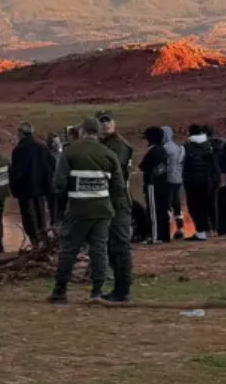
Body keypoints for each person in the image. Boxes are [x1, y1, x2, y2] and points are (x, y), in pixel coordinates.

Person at [49, 118, 125, 303]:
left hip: (77, 209)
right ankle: (97, 291)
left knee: (69, 250)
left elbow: (58, 183)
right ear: (98, 132)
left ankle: (60, 291)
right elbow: (119, 186)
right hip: (102, 210)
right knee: (99, 249)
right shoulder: (109, 154)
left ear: (82, 131)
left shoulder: (70, 152)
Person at [98, 111, 135, 298]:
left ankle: (123, 290)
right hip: (109, 200)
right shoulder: (105, 144)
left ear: (114, 123)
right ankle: (119, 288)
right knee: (113, 245)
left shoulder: (118, 145)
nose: (105, 125)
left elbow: (115, 171)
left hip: (118, 200)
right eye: (101, 121)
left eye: (108, 121)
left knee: (120, 245)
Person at [9, 123, 54, 249]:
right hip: (41, 188)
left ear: (21, 133)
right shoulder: (42, 147)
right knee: (41, 214)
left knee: (29, 216)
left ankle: (35, 242)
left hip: (25, 189)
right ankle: (43, 240)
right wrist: (48, 185)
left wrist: (14, 188)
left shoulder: (19, 150)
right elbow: (51, 166)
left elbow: (16, 172)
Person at [183, 125, 218, 241]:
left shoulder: (186, 147)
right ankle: (211, 229)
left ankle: (201, 231)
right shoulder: (209, 146)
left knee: (194, 207)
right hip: (207, 181)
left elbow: (179, 162)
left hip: (192, 182)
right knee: (207, 205)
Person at [139, 127, 172, 244]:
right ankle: (165, 235)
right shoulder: (163, 150)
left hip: (153, 185)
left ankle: (155, 236)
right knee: (163, 210)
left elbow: (143, 167)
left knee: (153, 212)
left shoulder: (152, 151)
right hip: (164, 183)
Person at [163, 127, 186, 240]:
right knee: (177, 205)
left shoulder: (165, 148)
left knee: (167, 205)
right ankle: (180, 229)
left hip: (168, 180)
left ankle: (166, 231)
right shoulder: (177, 147)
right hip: (178, 180)